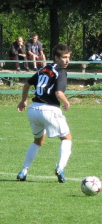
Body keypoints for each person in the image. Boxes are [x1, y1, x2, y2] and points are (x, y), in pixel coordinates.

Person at [16, 44, 73, 183]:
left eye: (69, 58)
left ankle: (24, 170)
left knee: (38, 141)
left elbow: (27, 84)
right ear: (56, 58)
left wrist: (23, 101)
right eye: (64, 58)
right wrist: (66, 101)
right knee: (67, 138)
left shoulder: (43, 69)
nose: (67, 61)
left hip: (34, 110)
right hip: (49, 110)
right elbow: (59, 92)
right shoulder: (61, 71)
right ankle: (60, 168)